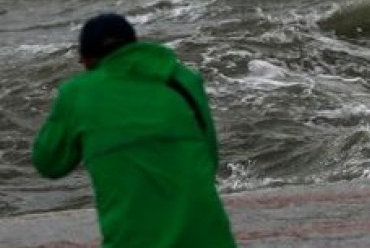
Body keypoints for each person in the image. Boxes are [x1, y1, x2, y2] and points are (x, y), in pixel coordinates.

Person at [32, 13, 236, 247]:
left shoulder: (78, 94)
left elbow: (49, 162)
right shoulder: (183, 80)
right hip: (210, 238)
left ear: (87, 60)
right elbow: (209, 155)